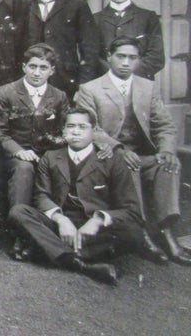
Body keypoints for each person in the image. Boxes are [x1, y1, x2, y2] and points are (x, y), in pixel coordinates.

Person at [75, 36, 191, 265]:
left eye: (132, 58)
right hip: (108, 155)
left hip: (142, 154)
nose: (126, 63)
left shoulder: (146, 87)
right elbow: (92, 130)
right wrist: (118, 148)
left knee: (166, 166)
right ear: (109, 57)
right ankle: (144, 235)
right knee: (130, 165)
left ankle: (167, 234)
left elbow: (164, 125)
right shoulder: (90, 89)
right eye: (121, 56)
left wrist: (167, 149)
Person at [8, 107, 142, 284]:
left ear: (93, 131)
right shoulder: (51, 157)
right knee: (18, 212)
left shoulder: (112, 160)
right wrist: (60, 220)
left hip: (95, 229)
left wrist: (98, 220)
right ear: (63, 131)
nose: (76, 132)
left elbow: (131, 209)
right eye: (70, 127)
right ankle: (80, 262)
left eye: (82, 127)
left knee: (134, 232)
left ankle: (54, 251)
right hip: (61, 226)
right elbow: (41, 195)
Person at [0, 44, 70, 258]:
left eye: (43, 67)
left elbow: (64, 131)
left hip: (47, 154)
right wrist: (18, 151)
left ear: (52, 70)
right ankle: (20, 234)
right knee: (24, 168)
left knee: (59, 166)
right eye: (32, 66)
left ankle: (55, 229)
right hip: (13, 156)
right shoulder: (5, 92)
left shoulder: (59, 96)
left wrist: (50, 152)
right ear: (23, 67)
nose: (36, 72)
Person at [22, 0, 101, 97]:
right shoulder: (23, 7)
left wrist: (83, 87)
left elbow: (90, 51)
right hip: (31, 82)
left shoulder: (76, 7)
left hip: (66, 82)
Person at [93, 0, 164, 80]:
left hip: (140, 82)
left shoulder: (148, 17)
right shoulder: (95, 19)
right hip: (105, 84)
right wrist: (112, 76)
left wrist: (128, 74)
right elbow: (92, 56)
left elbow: (157, 58)